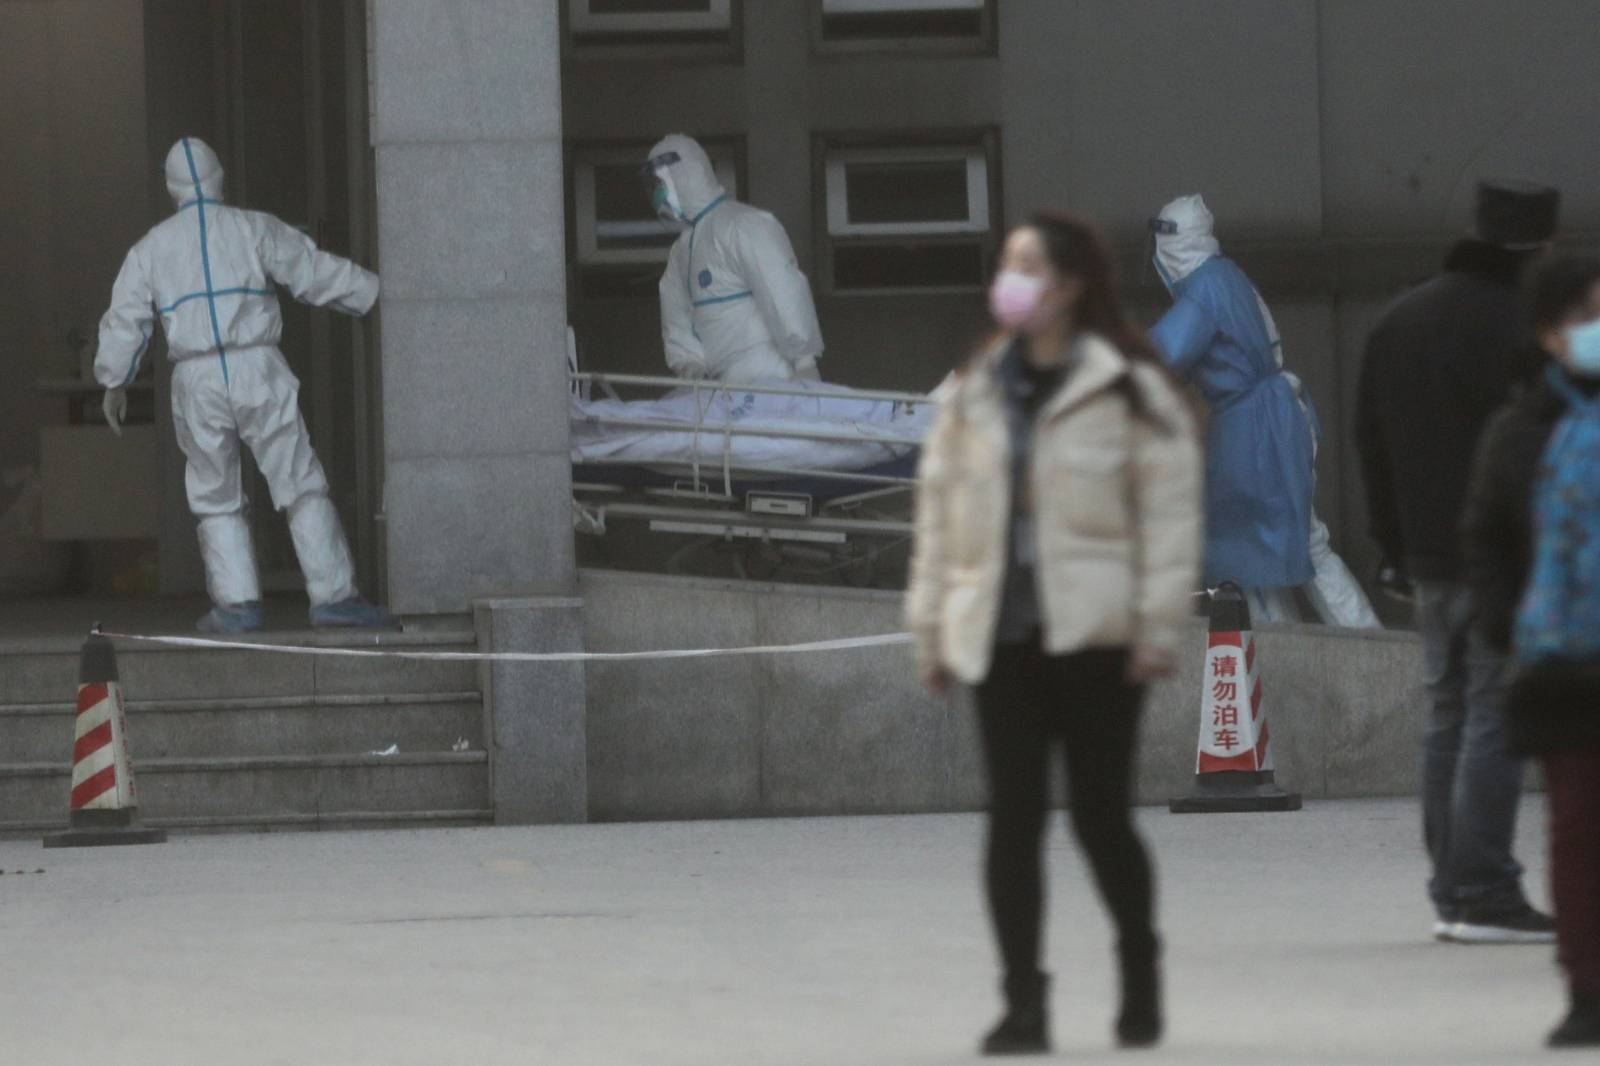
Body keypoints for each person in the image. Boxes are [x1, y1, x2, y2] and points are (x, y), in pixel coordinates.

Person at [906, 212, 1202, 1054]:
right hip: (1002, 636)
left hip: (1098, 637)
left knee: (1101, 819)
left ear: (1070, 287)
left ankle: (1140, 969)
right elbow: (938, 519)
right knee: (1013, 820)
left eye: (1030, 266)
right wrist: (930, 631)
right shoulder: (974, 389)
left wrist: (1157, 624)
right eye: (1008, 265)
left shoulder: (1126, 386)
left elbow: (1171, 513)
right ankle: (1022, 1002)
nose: (1013, 280)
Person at [1355, 178, 1559, 943]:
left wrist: (1392, 547)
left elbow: (1368, 441)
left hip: (1428, 555)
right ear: (1542, 245)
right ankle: (1481, 889)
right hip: (1504, 553)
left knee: (1445, 713)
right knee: (1493, 714)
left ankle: (1451, 885)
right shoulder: (1529, 326)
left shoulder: (1399, 318)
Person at [96, 136, 396, 633]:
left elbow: (125, 319)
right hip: (258, 366)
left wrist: (114, 380)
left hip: (196, 377)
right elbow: (312, 271)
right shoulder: (253, 228)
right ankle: (334, 596)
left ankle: (237, 605)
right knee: (299, 479)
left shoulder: (150, 248)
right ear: (220, 178)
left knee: (215, 492)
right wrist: (374, 291)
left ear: (172, 190)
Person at [1462, 253, 1600, 1046]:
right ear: (1549, 333)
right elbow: (1487, 535)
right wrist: (1508, 624)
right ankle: (1587, 987)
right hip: (1562, 668)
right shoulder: (1521, 431)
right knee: (1578, 832)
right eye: (1583, 317)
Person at [1147, 194, 1378, 628]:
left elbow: (1160, 356)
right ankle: (1341, 644)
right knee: (1270, 551)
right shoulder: (1226, 276)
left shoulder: (1204, 291)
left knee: (1268, 550)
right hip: (1270, 417)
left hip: (1254, 428)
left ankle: (1344, 645)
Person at [643, 134, 824, 384]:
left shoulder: (743, 225)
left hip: (771, 374)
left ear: (681, 177)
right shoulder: (681, 251)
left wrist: (804, 361)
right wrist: (688, 362)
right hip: (718, 387)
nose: (657, 195)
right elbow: (676, 310)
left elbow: (781, 290)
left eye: (659, 184)